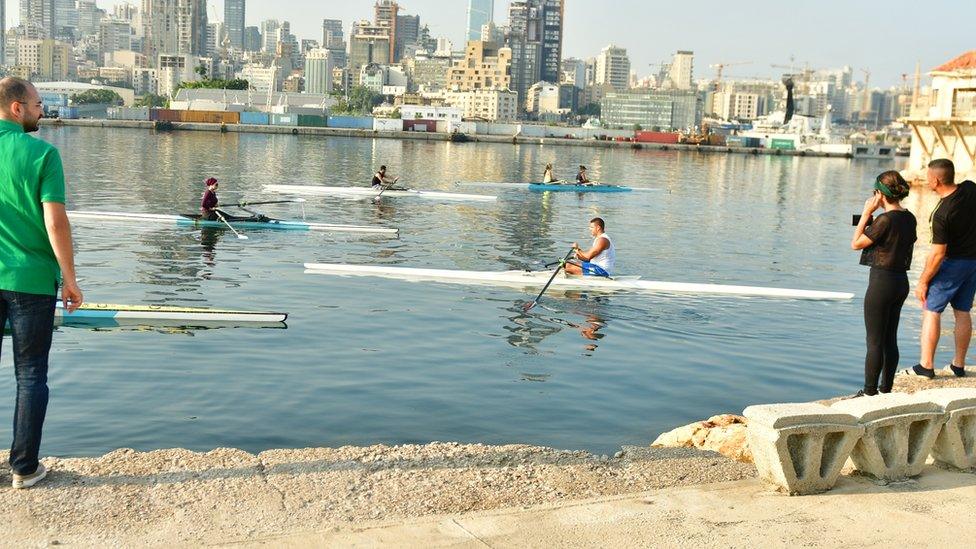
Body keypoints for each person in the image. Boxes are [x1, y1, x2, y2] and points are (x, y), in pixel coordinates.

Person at [0, 77, 83, 489]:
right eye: (36, 103)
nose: (41, 109)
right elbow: (55, 220)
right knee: (31, 373)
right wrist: (70, 279)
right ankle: (24, 467)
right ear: (17, 108)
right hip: (30, 280)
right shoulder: (43, 154)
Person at [904, 159, 976, 379]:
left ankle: (926, 366)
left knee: (932, 310)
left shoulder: (942, 213)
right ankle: (958, 365)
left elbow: (937, 254)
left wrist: (923, 281)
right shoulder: (971, 188)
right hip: (973, 263)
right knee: (963, 311)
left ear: (935, 180)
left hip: (952, 264)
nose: (926, 180)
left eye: (928, 176)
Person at [851, 171, 917, 396]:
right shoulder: (909, 217)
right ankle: (886, 389)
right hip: (901, 282)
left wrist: (867, 213)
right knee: (890, 338)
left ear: (880, 194)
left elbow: (856, 243)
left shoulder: (884, 219)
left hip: (881, 283)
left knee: (874, 341)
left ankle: (869, 392)